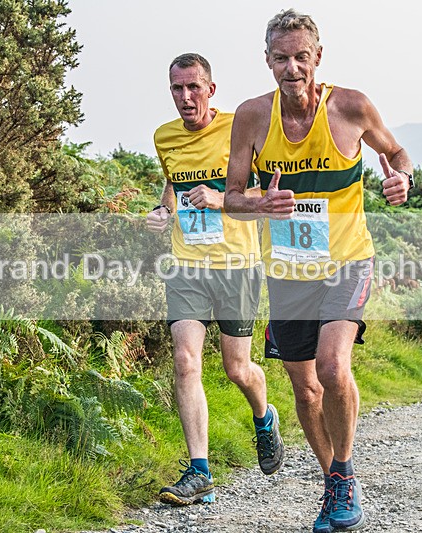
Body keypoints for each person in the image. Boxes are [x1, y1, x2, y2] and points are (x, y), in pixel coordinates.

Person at [224, 9, 413, 532]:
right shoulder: (251, 117)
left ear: (318, 57)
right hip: (288, 272)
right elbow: (232, 198)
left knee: (331, 368)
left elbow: (397, 152)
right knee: (305, 389)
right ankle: (333, 480)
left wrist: (403, 179)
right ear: (267, 61)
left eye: (301, 57)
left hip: (348, 260)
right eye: (280, 58)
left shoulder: (351, 107)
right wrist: (260, 204)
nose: (292, 68)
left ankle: (345, 475)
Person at [145, 53, 284, 507]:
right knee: (185, 360)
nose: (185, 97)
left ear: (211, 89)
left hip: (236, 264)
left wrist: (221, 198)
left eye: (193, 87)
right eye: (177, 88)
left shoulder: (238, 129)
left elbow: (268, 192)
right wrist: (163, 210)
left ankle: (264, 417)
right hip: (186, 264)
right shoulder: (164, 136)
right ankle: (199, 471)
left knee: (236, 368)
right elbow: (173, 184)